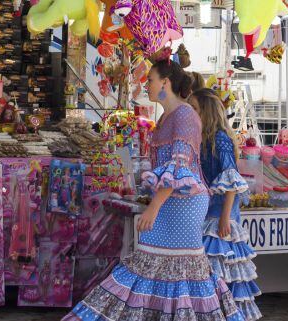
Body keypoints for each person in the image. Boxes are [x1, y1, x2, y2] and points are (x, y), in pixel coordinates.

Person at [63, 58, 244, 321]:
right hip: (173, 200)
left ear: (165, 83)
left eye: (150, 79)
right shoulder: (169, 116)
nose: (146, 84)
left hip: (184, 203)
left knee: (174, 265)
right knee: (154, 263)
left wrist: (154, 206)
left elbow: (179, 164)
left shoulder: (184, 115)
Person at [190, 88, 262, 321]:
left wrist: (225, 217)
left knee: (221, 270)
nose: (190, 112)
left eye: (194, 108)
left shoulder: (219, 139)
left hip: (221, 214)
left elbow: (231, 180)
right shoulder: (202, 138)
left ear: (206, 111)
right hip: (207, 212)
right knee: (210, 270)